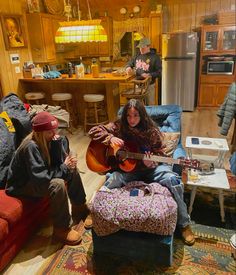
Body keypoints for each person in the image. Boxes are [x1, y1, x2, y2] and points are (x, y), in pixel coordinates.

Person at [88, 99, 195, 245]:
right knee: (112, 180)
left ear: (142, 115)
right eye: (128, 116)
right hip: (128, 172)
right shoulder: (118, 126)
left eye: (136, 116)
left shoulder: (152, 132)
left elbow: (161, 155)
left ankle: (184, 224)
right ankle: (95, 212)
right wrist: (110, 137)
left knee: (173, 179)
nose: (132, 120)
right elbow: (93, 131)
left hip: (151, 170)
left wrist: (152, 162)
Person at [6, 111, 91, 246]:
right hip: (22, 185)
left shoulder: (50, 140)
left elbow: (55, 164)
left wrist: (67, 160)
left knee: (71, 170)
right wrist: (63, 167)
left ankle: (79, 207)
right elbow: (40, 177)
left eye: (55, 130)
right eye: (50, 132)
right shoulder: (30, 147)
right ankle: (61, 229)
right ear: (40, 133)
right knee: (57, 184)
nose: (54, 134)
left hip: (39, 177)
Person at [125, 37, 162, 105]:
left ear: (148, 46)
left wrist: (149, 75)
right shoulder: (137, 55)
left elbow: (159, 72)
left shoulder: (155, 57)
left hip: (149, 86)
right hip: (137, 85)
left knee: (150, 105)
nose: (141, 49)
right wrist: (128, 67)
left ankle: (150, 116)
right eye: (140, 47)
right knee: (138, 106)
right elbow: (129, 64)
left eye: (143, 47)